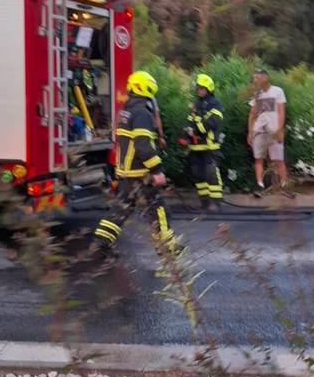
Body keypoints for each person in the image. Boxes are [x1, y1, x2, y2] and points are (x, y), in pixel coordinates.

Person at [92, 70, 178, 254]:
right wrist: (157, 170)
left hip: (125, 172)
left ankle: (100, 243)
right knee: (159, 210)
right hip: (139, 173)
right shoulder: (141, 113)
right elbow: (143, 146)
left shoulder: (126, 111)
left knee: (120, 210)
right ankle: (168, 248)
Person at [180, 73, 224, 211]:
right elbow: (189, 121)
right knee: (198, 174)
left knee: (211, 174)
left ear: (208, 89)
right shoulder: (196, 104)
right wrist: (187, 131)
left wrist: (196, 123)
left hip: (210, 146)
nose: (198, 90)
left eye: (201, 88)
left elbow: (209, 124)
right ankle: (204, 202)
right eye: (197, 88)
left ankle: (216, 203)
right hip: (195, 147)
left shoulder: (215, 104)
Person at [247, 67, 291, 197]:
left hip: (274, 131)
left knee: (278, 159)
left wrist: (280, 129)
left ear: (265, 78)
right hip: (259, 131)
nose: (256, 80)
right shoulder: (257, 94)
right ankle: (259, 185)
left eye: (258, 77)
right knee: (258, 159)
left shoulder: (277, 91)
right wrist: (250, 132)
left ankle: (284, 185)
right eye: (254, 78)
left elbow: (281, 111)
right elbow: (252, 114)